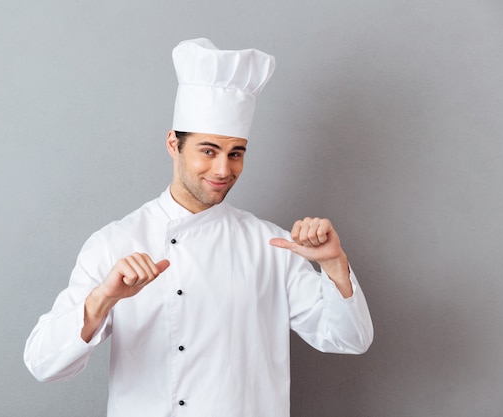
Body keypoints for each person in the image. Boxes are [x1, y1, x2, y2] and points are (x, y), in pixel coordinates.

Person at [24, 38, 373, 417]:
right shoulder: (115, 242)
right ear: (174, 144)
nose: (224, 170)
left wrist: (334, 264)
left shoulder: (272, 245)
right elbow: (44, 365)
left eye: (235, 153)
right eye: (208, 151)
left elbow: (349, 340)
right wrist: (103, 299)